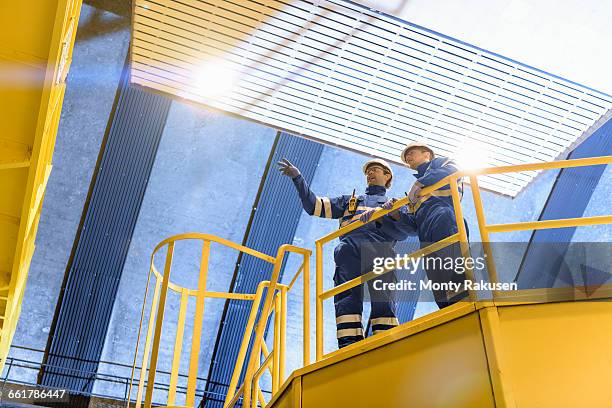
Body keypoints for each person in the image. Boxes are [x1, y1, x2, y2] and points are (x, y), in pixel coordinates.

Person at [277, 158, 412, 348]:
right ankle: (349, 344)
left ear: (387, 175)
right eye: (368, 172)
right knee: (346, 298)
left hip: (380, 251)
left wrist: (393, 213)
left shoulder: (397, 204)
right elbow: (314, 206)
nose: (370, 174)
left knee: (383, 296)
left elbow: (407, 231)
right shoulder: (350, 201)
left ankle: (386, 339)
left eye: (375, 170)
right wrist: (298, 178)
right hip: (349, 250)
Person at [362, 141, 469, 309]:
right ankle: (449, 312)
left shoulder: (441, 163)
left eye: (411, 153)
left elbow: (455, 171)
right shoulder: (413, 195)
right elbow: (413, 227)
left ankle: (465, 306)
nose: (408, 157)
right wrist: (396, 215)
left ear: (427, 154)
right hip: (425, 235)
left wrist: (419, 183)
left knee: (452, 268)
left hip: (445, 219)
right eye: (406, 156)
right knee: (437, 279)